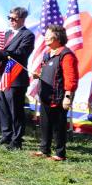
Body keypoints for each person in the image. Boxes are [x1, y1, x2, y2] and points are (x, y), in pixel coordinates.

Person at [0, 6, 35, 150]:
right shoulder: (6, 34)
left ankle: (16, 140)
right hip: (2, 76)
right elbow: (1, 54)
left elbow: (20, 54)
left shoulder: (27, 35)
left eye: (14, 18)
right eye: (9, 18)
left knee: (16, 110)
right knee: (4, 109)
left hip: (16, 78)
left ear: (22, 19)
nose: (11, 21)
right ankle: (6, 136)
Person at [32, 24, 78, 161]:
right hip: (45, 96)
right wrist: (38, 75)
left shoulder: (66, 55)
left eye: (48, 34)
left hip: (58, 97)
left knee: (58, 126)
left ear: (57, 37)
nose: (45, 37)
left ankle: (60, 154)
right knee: (45, 124)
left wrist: (68, 97)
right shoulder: (47, 54)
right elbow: (47, 72)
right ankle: (44, 150)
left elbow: (71, 78)